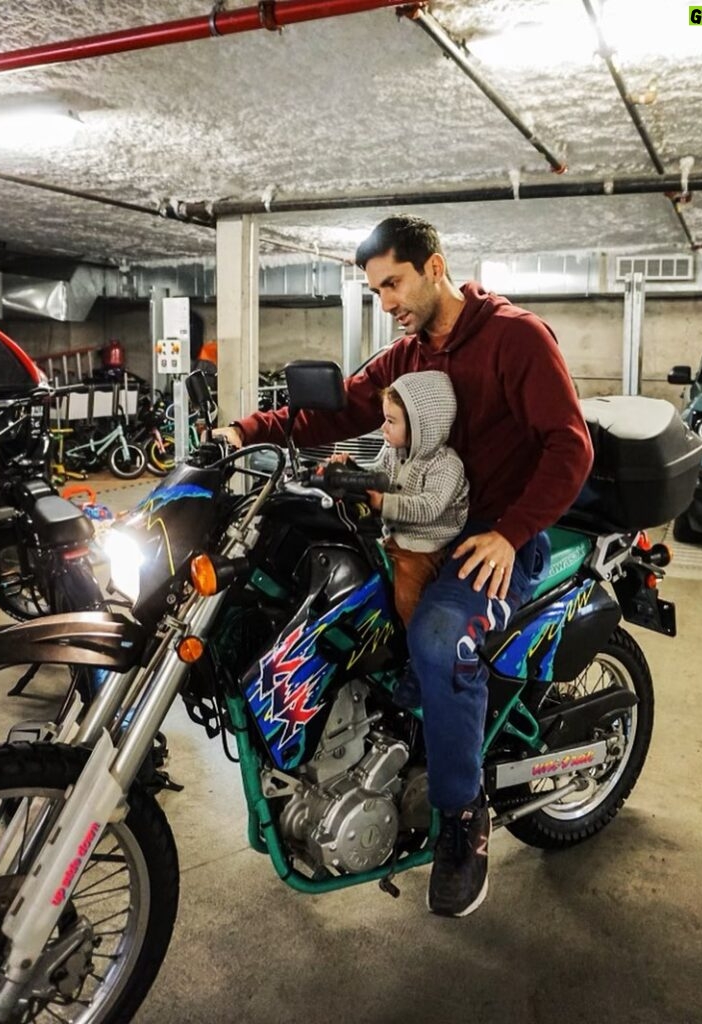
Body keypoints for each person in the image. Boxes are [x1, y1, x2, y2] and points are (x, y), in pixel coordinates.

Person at [214, 215, 594, 918]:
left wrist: (509, 534)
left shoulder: (515, 338)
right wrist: (245, 430)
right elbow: (346, 407)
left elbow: (568, 449)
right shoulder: (407, 354)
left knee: (435, 639)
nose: (384, 300)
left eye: (392, 283)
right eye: (375, 288)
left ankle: (461, 817)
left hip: (496, 539)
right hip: (423, 527)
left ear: (434, 267)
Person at [337, 371, 469, 626]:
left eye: (390, 421)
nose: (383, 427)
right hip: (393, 538)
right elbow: (380, 479)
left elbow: (429, 507)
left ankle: (415, 650)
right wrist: (351, 470)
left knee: (406, 600)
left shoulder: (445, 465)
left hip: (423, 548)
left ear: (422, 426)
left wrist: (383, 503)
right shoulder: (395, 453)